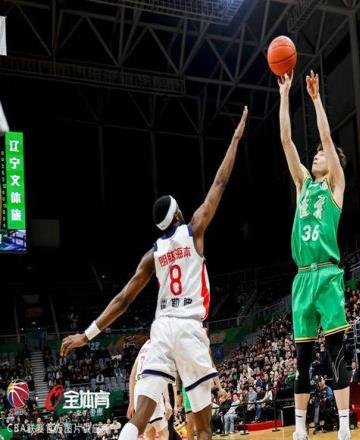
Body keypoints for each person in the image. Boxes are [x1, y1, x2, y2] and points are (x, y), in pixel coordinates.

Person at [59, 107, 249, 440]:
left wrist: (86, 335)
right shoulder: (194, 230)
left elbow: (123, 300)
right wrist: (235, 139)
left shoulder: (152, 255)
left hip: (161, 330)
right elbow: (219, 183)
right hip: (189, 328)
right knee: (203, 426)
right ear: (178, 215)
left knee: (140, 418)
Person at [278, 70, 351, 440]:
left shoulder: (335, 186)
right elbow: (286, 140)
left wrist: (316, 99)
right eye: (317, 155)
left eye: (322, 154)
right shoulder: (303, 184)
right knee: (303, 358)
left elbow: (325, 137)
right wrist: (284, 95)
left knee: (336, 352)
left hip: (327, 274)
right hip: (302, 276)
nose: (317, 155)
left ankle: (344, 426)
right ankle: (300, 428)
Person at [127, 340, 172, 440]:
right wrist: (167, 401)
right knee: (163, 432)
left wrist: (131, 402)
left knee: (148, 433)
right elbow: (161, 375)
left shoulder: (144, 347)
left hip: (139, 389)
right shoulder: (160, 346)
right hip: (152, 385)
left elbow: (132, 376)